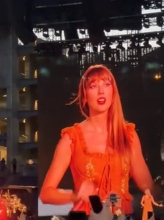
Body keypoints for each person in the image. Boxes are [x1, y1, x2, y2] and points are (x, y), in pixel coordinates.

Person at [40, 64, 156, 216]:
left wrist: (148, 192)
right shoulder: (71, 139)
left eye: (106, 84)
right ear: (85, 95)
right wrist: (75, 196)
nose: (101, 91)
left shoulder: (128, 135)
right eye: (93, 86)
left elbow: (145, 182)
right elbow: (46, 193)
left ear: (113, 91)